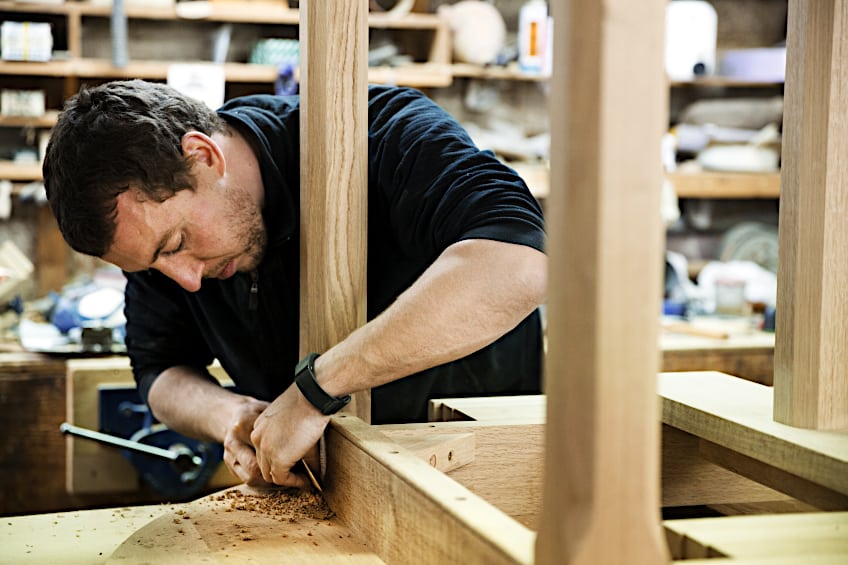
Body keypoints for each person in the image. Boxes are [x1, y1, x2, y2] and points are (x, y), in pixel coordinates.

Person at [43, 80, 547, 489]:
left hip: (478, 475)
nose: (186, 281)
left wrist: (315, 389)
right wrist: (235, 416)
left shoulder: (380, 133)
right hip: (337, 497)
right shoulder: (154, 240)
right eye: (152, 267)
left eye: (176, 243)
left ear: (203, 156)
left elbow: (519, 264)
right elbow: (159, 371)